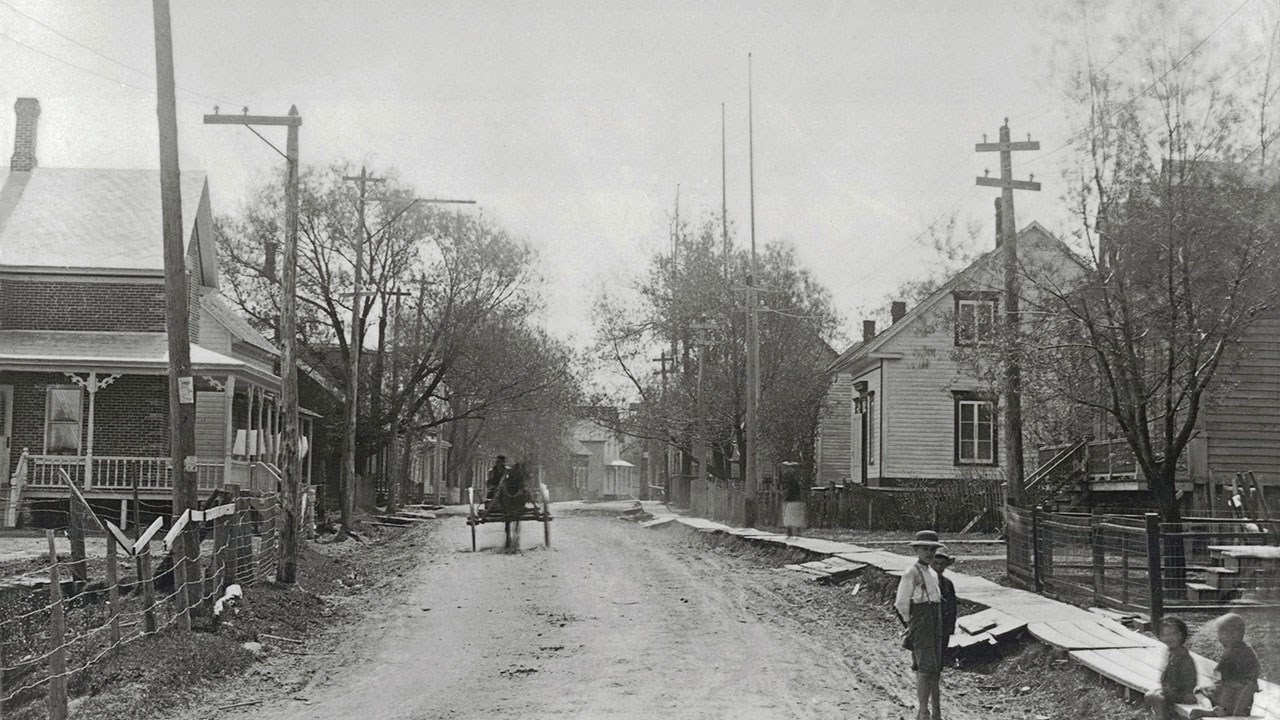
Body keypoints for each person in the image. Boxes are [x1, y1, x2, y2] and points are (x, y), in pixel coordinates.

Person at [895, 530, 945, 720]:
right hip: (922, 622)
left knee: (934, 668)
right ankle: (923, 712)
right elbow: (901, 603)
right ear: (916, 550)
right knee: (924, 669)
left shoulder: (932, 572)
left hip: (935, 621)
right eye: (925, 549)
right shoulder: (911, 573)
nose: (929, 553)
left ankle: (936, 712)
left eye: (932, 549)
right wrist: (911, 623)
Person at [1192, 613, 1259, 718]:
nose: (1219, 638)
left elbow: (1224, 679)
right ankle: (1218, 709)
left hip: (1228, 701)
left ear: (1231, 635)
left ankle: (1209, 708)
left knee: (1199, 691)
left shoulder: (1229, 654)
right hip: (1244, 702)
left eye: (1220, 634)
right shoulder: (1249, 651)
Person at [1144, 616, 1197, 719]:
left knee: (1158, 698)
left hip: (1181, 692)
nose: (1169, 638)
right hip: (1171, 690)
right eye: (1164, 635)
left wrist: (1188, 692)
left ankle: (1162, 717)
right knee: (1150, 695)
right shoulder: (1170, 652)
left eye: (1173, 634)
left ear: (1181, 635)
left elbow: (1190, 676)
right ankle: (1155, 715)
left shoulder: (1181, 654)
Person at [931, 549, 957, 669]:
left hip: (943, 625)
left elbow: (952, 606)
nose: (938, 567)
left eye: (942, 564)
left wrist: (951, 626)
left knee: (940, 657)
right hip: (928, 625)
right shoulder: (923, 582)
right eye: (935, 563)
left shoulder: (948, 583)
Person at [780, 462, 806, 538]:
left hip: (791, 500)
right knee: (794, 515)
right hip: (794, 499)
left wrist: (785, 496)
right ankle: (795, 530)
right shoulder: (794, 482)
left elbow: (791, 491)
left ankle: (791, 530)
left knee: (790, 515)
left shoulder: (791, 483)